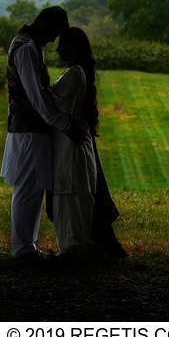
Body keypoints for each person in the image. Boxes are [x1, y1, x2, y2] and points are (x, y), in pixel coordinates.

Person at [0, 6, 85, 260]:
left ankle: (27, 246)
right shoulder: (26, 49)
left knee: (33, 186)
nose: (53, 41)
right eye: (54, 33)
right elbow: (36, 97)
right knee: (28, 187)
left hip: (28, 127)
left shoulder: (26, 44)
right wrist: (65, 124)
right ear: (45, 24)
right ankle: (23, 249)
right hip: (29, 129)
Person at [49, 26, 126, 259]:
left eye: (63, 44)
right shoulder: (79, 73)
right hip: (72, 144)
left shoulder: (74, 74)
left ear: (74, 48)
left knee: (71, 193)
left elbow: (49, 103)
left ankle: (74, 248)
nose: (58, 49)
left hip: (70, 146)